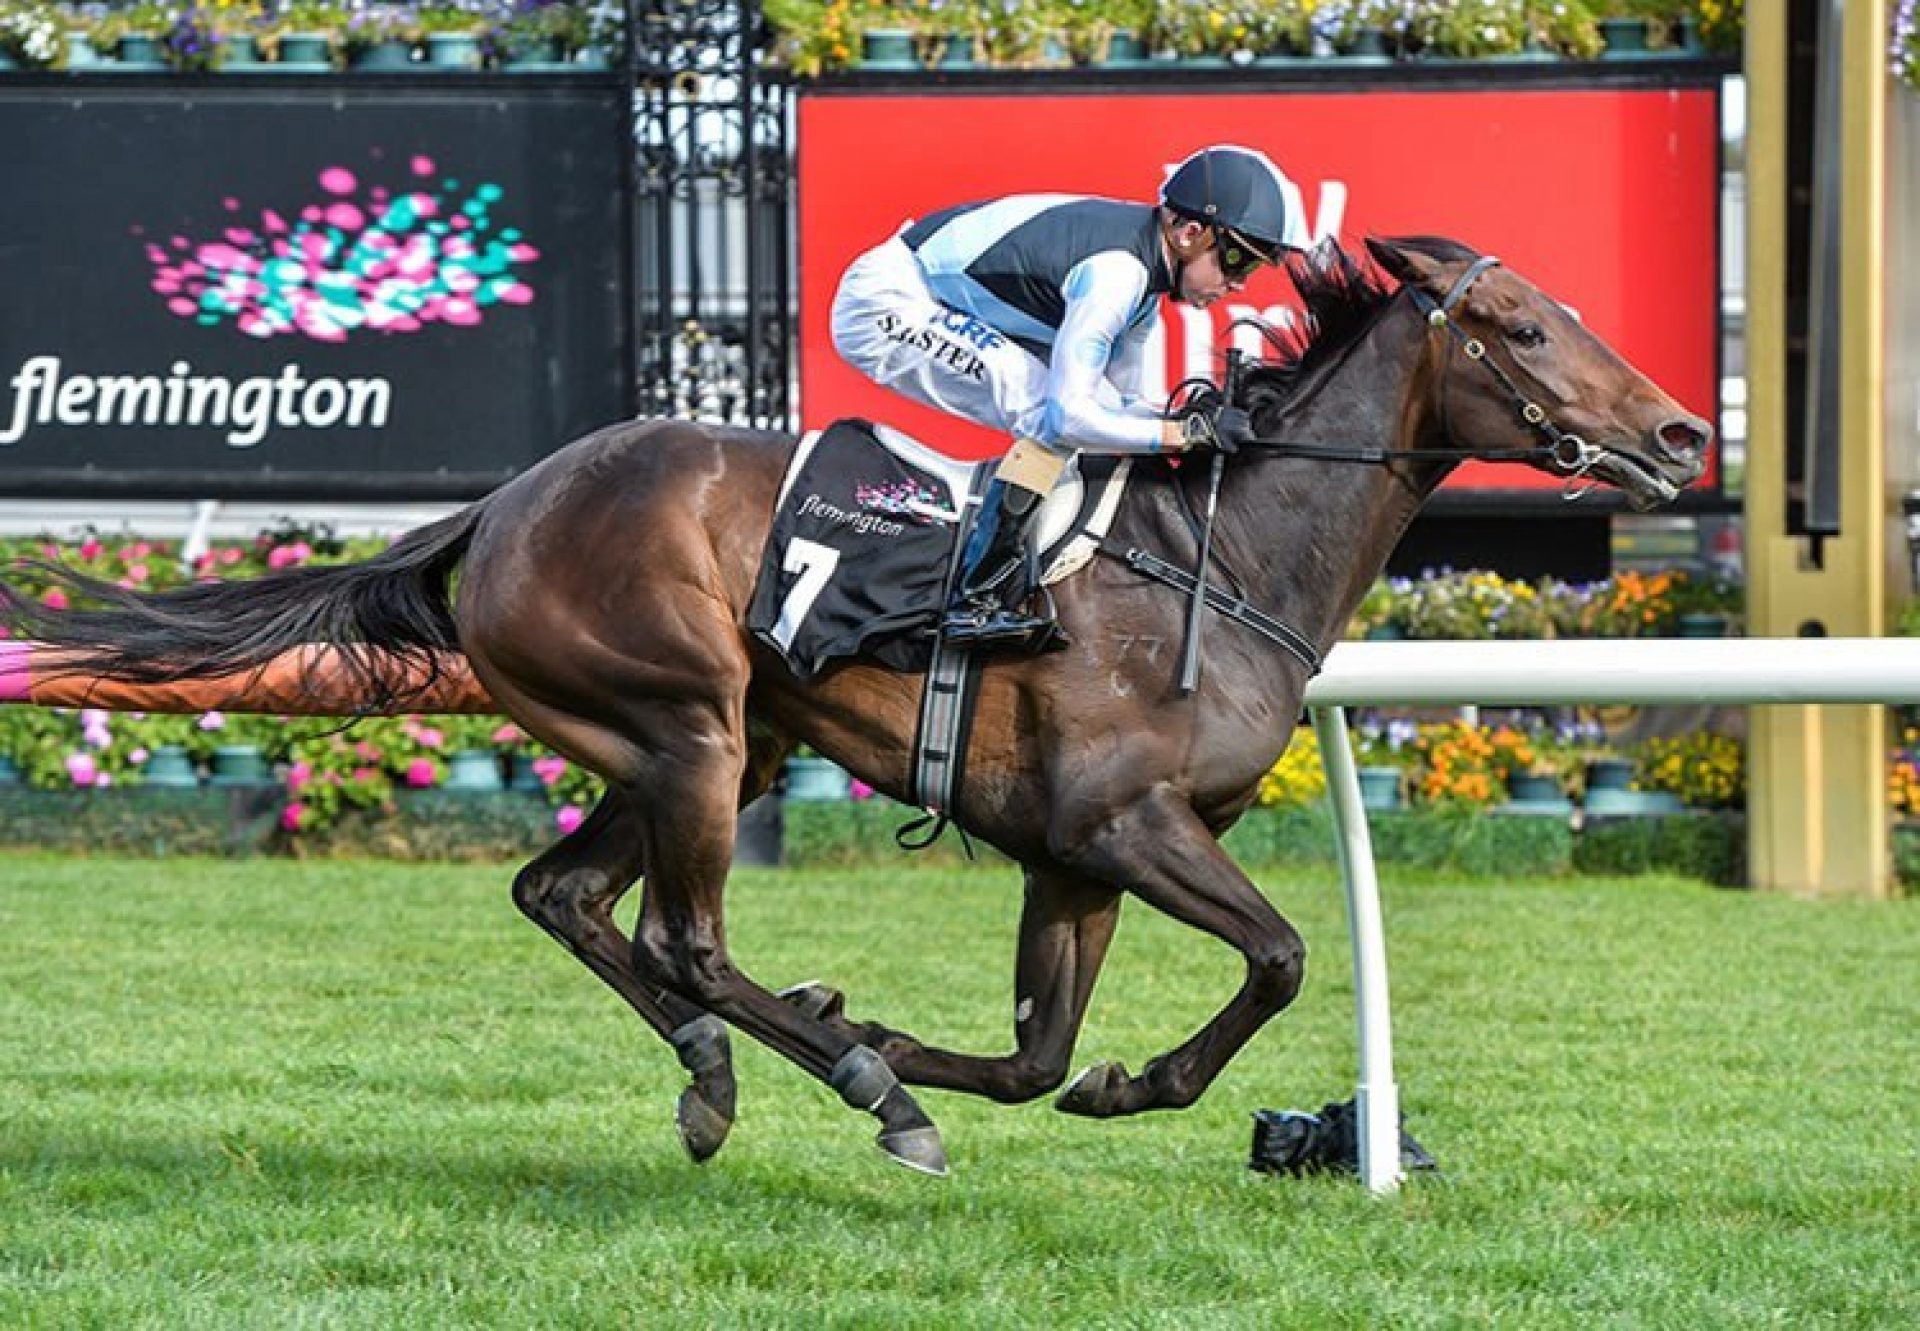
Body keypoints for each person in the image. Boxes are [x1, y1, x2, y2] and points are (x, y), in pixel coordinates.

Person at [830, 144, 1311, 652]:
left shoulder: (1143, 294)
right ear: (1189, 232)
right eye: (1236, 260)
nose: (1237, 283)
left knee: (1070, 417)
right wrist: (1180, 432)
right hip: (885, 303)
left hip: (930, 292)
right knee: (1046, 413)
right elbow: (1071, 417)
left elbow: (1123, 407)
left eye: (1252, 270)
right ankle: (973, 602)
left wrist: (1181, 421)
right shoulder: (1118, 274)